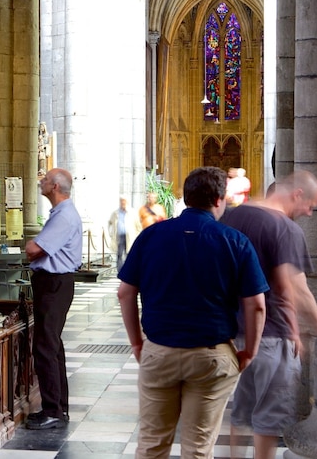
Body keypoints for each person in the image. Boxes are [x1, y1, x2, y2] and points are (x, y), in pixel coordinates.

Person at [118, 167, 268, 459]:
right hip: (211, 354)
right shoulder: (235, 241)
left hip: (159, 350)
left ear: (187, 198)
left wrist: (137, 342)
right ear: (218, 199)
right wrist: (249, 350)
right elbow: (257, 304)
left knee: (151, 444)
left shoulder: (151, 237)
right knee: (198, 448)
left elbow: (125, 292)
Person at [220, 170, 317, 459]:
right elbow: (294, 286)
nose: (308, 213)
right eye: (310, 205)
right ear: (297, 195)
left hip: (238, 336)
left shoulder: (233, 217)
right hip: (273, 335)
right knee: (268, 420)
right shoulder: (284, 228)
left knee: (241, 414)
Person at [24, 168, 83, 430]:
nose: (41, 182)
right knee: (52, 345)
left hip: (55, 284)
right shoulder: (61, 213)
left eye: (46, 179)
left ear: (56, 187)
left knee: (45, 347)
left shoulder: (64, 216)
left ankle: (52, 410)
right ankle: (58, 407)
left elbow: (34, 249)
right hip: (54, 284)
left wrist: (30, 245)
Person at [107, 197, 138, 266]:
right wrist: (111, 233)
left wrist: (136, 235)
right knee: (119, 254)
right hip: (120, 235)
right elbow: (110, 223)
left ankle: (128, 269)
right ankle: (120, 270)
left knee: (129, 253)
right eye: (121, 202)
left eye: (124, 202)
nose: (123, 203)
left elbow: (137, 225)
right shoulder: (116, 213)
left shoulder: (132, 212)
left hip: (129, 236)